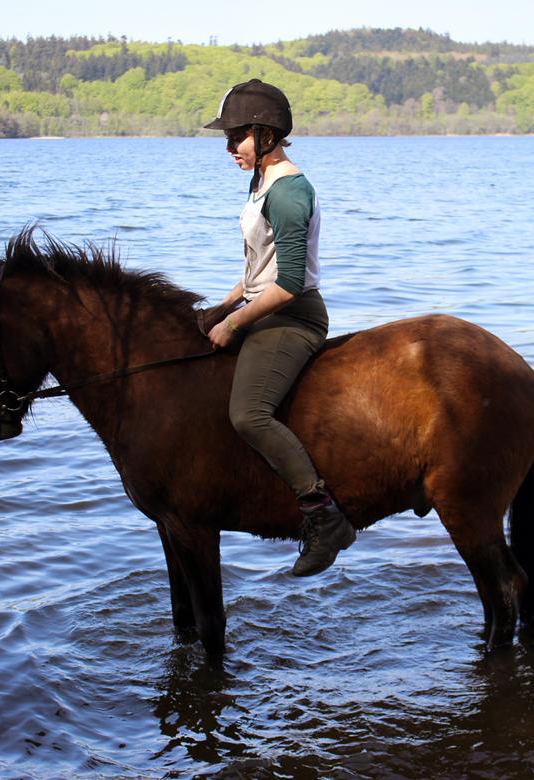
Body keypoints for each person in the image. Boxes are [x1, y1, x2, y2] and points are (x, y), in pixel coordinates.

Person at [203, 79, 355, 577]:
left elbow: (288, 283)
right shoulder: (260, 182)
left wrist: (234, 323)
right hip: (260, 306)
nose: (229, 149)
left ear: (265, 134)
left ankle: (321, 514)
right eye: (227, 139)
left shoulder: (289, 193)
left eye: (236, 138)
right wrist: (219, 307)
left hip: (291, 316)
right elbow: (257, 265)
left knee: (248, 414)